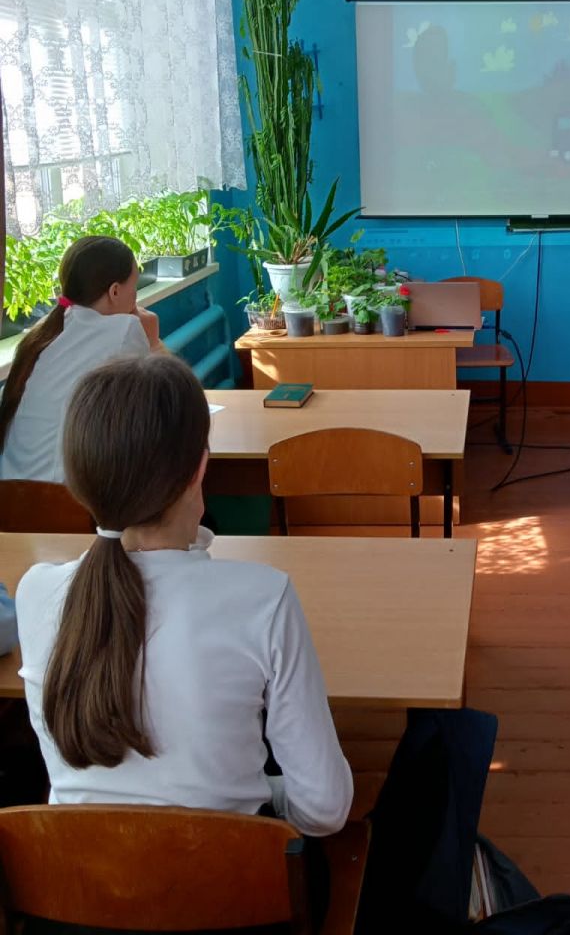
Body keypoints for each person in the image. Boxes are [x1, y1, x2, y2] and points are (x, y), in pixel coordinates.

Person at [15, 355, 352, 835]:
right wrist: (262, 791)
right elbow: (324, 810)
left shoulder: (36, 592)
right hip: (233, 881)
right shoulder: (264, 599)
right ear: (200, 468)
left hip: (77, 877)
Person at [0, 235, 162, 483]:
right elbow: (161, 408)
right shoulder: (124, 329)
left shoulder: (43, 334)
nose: (135, 298)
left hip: (12, 497)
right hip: (67, 499)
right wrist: (153, 341)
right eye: (134, 287)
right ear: (115, 291)